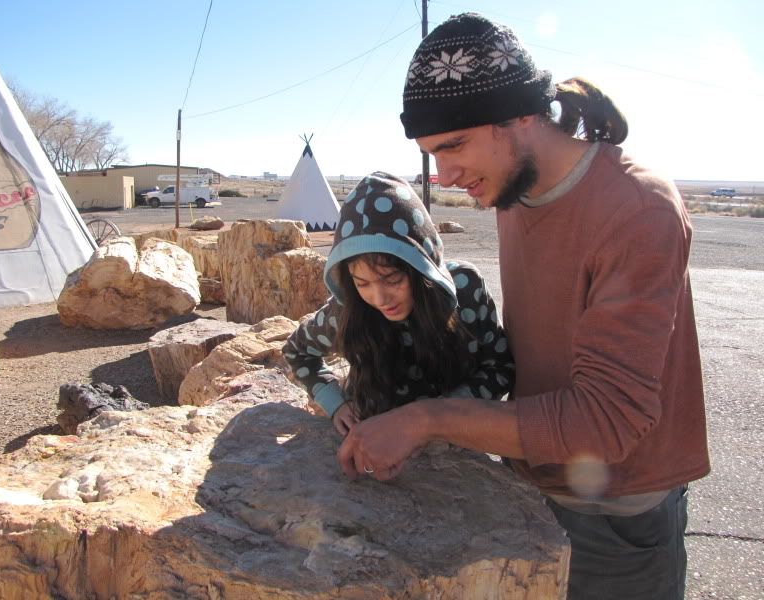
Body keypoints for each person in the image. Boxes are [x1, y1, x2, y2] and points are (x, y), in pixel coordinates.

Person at [336, 13, 710, 600]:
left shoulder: (637, 209)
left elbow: (607, 422)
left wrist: (428, 418)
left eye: (453, 146)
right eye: (431, 154)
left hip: (615, 510)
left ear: (520, 117)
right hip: (529, 478)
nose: (446, 174)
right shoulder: (513, 193)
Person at [283, 171, 514, 439]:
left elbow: (501, 366)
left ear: (421, 268)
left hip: (455, 445)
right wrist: (335, 403)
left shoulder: (466, 289)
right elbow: (297, 351)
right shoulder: (348, 310)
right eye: (363, 283)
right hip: (376, 445)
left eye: (392, 279)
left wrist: (446, 414)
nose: (380, 299)